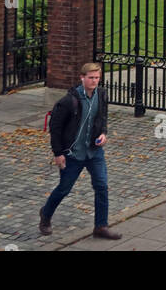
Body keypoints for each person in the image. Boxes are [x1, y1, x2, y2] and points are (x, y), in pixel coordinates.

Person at [39, 63, 121, 240]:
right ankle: (45, 215)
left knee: (101, 186)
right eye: (91, 78)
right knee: (64, 188)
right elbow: (56, 128)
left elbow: (103, 118)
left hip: (94, 152)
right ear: (82, 78)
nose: (94, 81)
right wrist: (58, 153)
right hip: (73, 154)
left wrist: (103, 134)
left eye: (97, 78)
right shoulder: (69, 101)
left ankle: (101, 226)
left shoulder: (101, 95)